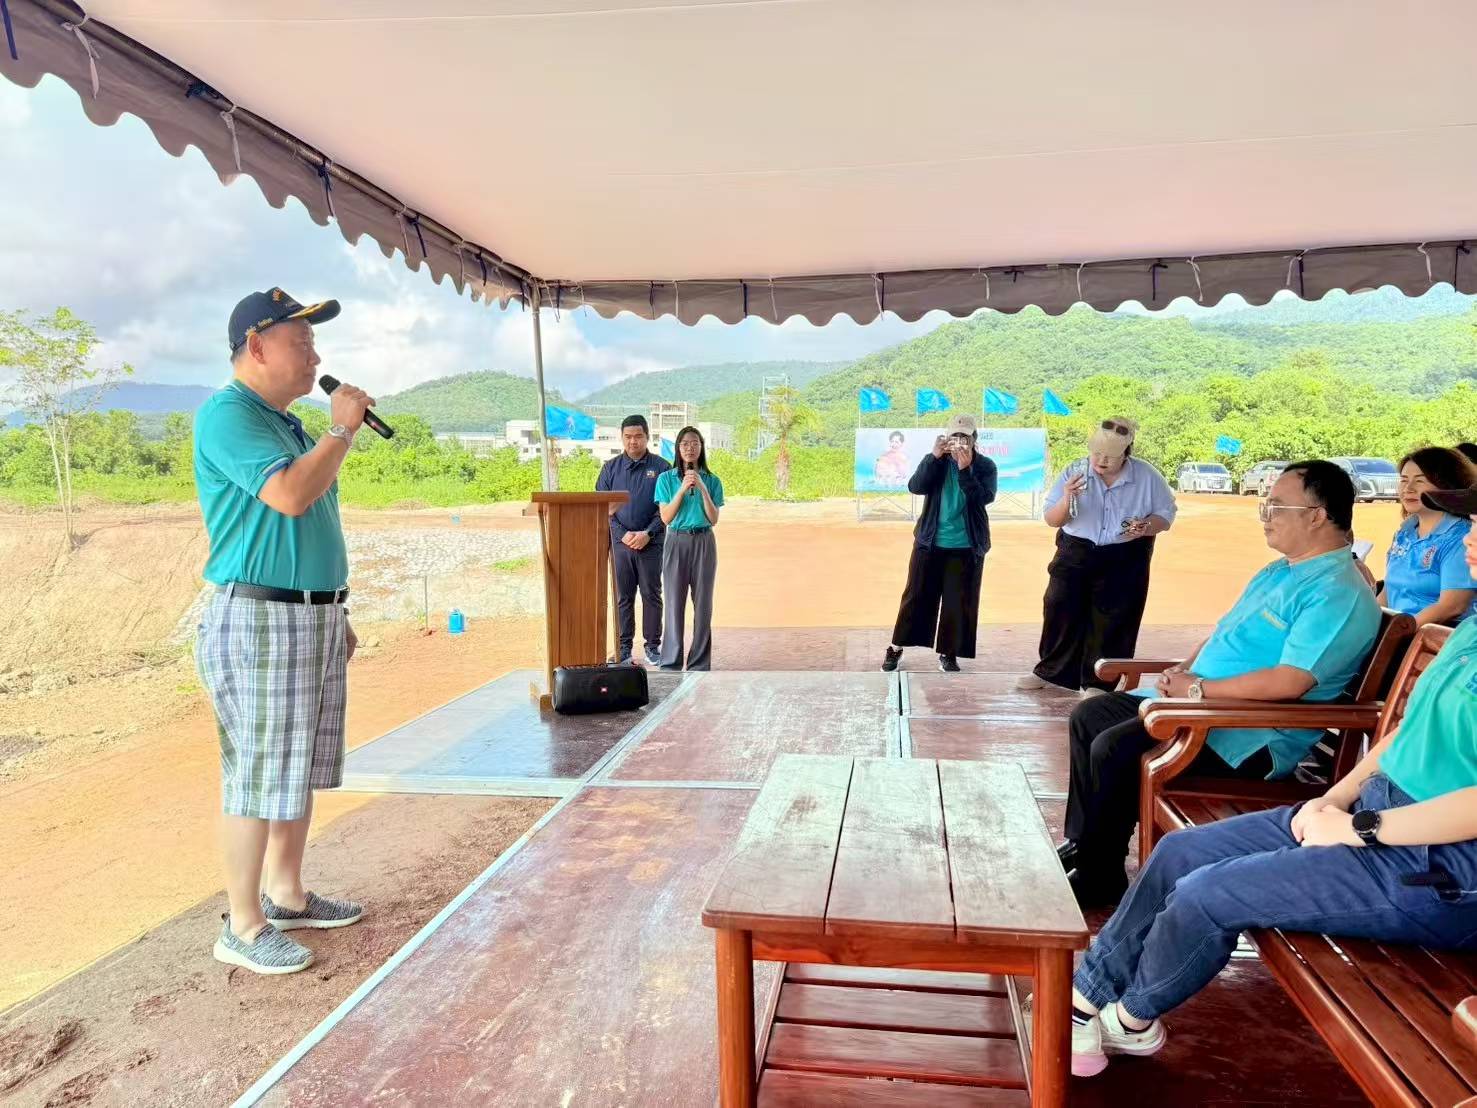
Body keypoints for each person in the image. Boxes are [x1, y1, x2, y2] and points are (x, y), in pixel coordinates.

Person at [1032, 478, 1477, 1080]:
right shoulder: (1471, 630)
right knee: (1180, 853)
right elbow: (1406, 732)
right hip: (1372, 811)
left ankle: (1130, 1021)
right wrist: (1334, 800)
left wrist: (1360, 829)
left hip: (1441, 862)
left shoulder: (1337, 590)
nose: (1468, 539)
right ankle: (1086, 997)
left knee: (1208, 894)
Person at [1059, 461, 1381, 907]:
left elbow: (1290, 682)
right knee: (1091, 715)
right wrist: (1180, 672)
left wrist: (1196, 691)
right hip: (1202, 707)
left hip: (1249, 732)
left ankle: (1100, 873)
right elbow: (1224, 635)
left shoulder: (1336, 592)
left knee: (1115, 747)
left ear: (1317, 515)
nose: (1266, 515)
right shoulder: (1280, 572)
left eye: (1276, 506)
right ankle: (1085, 847)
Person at [193, 288, 371, 975]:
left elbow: (308, 516)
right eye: (302, 344)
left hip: (309, 614)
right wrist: (341, 431)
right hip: (261, 618)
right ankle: (242, 924)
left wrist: (333, 610)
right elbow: (291, 496)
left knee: (295, 766)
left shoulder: (287, 425)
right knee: (258, 772)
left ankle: (288, 893)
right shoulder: (228, 415)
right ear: (257, 346)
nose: (315, 358)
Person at [1017, 418, 1176, 696]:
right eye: (1097, 453)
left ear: (1126, 454)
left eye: (1110, 456)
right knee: (1059, 606)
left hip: (1125, 553)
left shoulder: (1147, 476)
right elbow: (1052, 519)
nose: (1101, 460)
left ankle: (1099, 683)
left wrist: (1147, 526)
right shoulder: (1075, 471)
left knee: (1114, 616)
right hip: (1076, 549)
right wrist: (1067, 496)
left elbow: (1166, 514)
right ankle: (1051, 672)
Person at [881, 414, 999, 674]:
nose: (959, 441)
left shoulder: (985, 466)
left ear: (974, 439)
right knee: (915, 597)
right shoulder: (936, 462)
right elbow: (915, 486)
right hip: (930, 542)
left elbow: (984, 498)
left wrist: (966, 470)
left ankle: (949, 652)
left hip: (967, 546)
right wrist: (933, 457)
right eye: (955, 436)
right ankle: (896, 647)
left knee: (958, 602)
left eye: (965, 437)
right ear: (946, 438)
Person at [595, 415, 671, 664]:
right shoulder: (610, 468)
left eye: (638, 436)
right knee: (623, 596)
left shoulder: (662, 468)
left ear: (647, 437)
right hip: (621, 544)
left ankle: (653, 647)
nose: (633, 441)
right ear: (622, 438)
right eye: (628, 437)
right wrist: (622, 534)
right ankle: (623, 647)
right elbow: (601, 508)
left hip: (651, 543)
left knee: (652, 594)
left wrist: (648, 533)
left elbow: (667, 508)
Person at [1376, 446, 1477, 626]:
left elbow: (1452, 606)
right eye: (1404, 480)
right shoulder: (1404, 533)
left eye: (1419, 481)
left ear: (1445, 485)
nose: (1408, 488)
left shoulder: (1462, 537)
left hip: (1434, 637)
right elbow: (1387, 592)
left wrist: (1398, 633)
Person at [655, 426, 724, 671]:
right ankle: (671, 661)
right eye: (684, 444)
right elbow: (666, 517)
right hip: (676, 540)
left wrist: (702, 487)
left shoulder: (713, 481)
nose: (690, 448)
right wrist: (683, 489)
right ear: (678, 448)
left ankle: (699, 663)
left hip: (704, 541)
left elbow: (713, 518)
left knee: (703, 605)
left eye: (695, 443)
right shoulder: (665, 479)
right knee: (674, 603)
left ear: (701, 447)